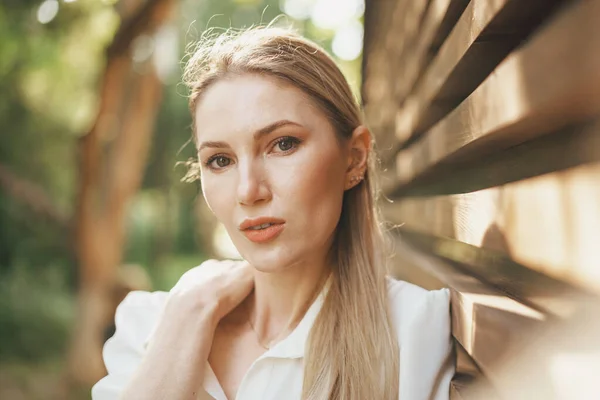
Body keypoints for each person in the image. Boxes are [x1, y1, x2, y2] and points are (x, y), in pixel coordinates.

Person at [92, 26, 454, 400]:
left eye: (283, 144)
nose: (249, 191)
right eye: (220, 160)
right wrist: (189, 316)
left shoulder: (410, 331)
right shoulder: (149, 326)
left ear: (354, 158)